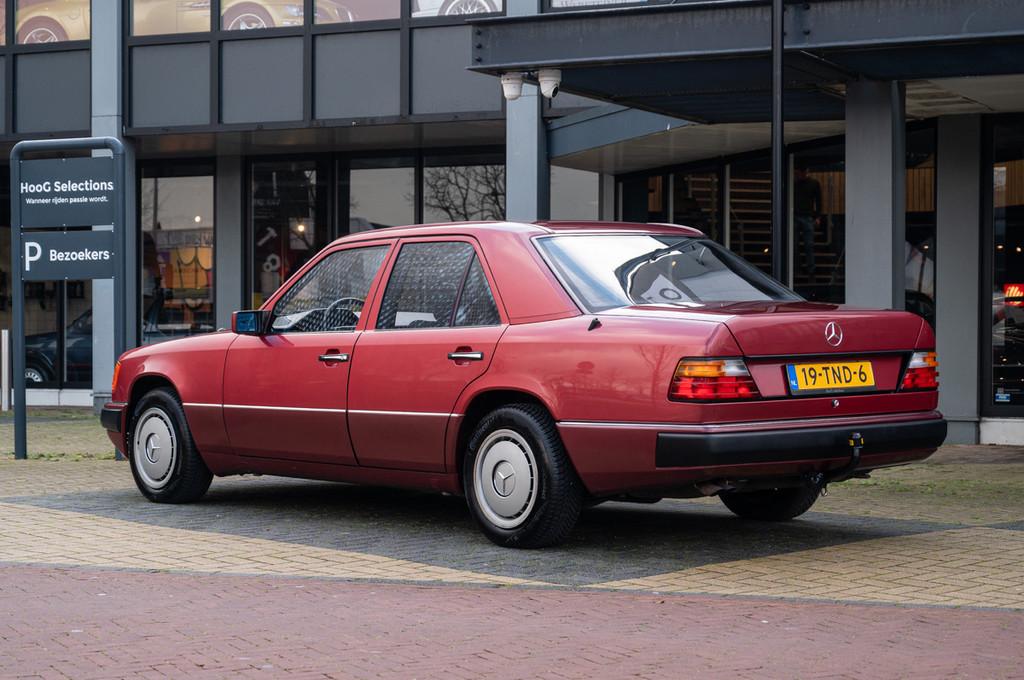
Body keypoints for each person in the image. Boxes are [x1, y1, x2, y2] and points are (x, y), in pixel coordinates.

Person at [793, 166, 823, 277]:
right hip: (799, 215)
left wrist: (818, 216)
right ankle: (801, 269)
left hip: (806, 216)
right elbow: (818, 200)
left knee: (808, 245)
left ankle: (809, 269)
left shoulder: (812, 183)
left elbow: (819, 200)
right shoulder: (796, 183)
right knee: (795, 245)